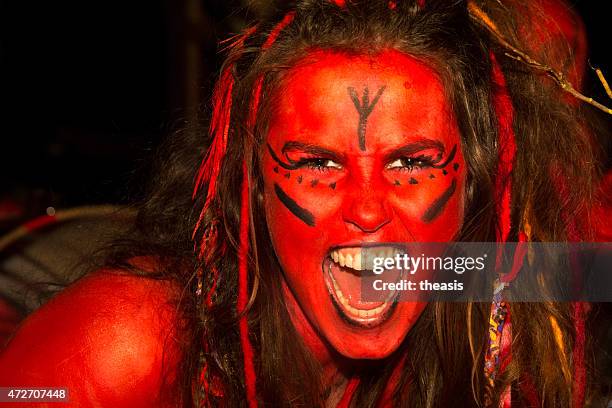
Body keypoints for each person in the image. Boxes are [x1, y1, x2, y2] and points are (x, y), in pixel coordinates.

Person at [0, 0, 609, 406]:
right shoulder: (127, 340)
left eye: (412, 163)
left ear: (475, 181)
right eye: (317, 163)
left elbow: (582, 270)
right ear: (252, 180)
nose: (368, 210)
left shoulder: (458, 278)